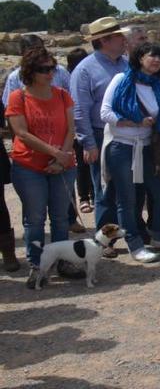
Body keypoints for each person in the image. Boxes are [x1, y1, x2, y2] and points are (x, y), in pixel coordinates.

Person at [99, 43, 160, 263]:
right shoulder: (121, 81)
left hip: (148, 147)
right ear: (139, 57)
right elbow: (105, 112)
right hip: (122, 146)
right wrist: (133, 121)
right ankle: (134, 243)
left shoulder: (159, 86)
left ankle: (159, 235)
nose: (156, 60)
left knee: (158, 192)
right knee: (127, 198)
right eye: (151, 55)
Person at [6, 47, 78, 288]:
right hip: (29, 166)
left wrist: (61, 158)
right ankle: (37, 265)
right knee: (34, 218)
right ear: (30, 71)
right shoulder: (19, 97)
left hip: (62, 164)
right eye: (43, 69)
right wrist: (55, 153)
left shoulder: (61, 95)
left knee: (60, 218)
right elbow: (21, 133)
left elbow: (71, 129)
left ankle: (62, 261)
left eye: (52, 68)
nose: (50, 73)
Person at [71, 17, 131, 256]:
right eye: (118, 36)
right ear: (104, 41)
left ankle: (129, 232)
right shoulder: (84, 70)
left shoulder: (125, 64)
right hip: (100, 134)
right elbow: (80, 110)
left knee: (127, 188)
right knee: (104, 190)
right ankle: (104, 241)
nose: (123, 39)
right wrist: (88, 142)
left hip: (127, 132)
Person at [66, 48, 93, 215]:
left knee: (90, 165)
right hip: (76, 128)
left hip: (89, 124)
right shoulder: (69, 77)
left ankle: (91, 196)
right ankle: (84, 197)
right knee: (82, 165)